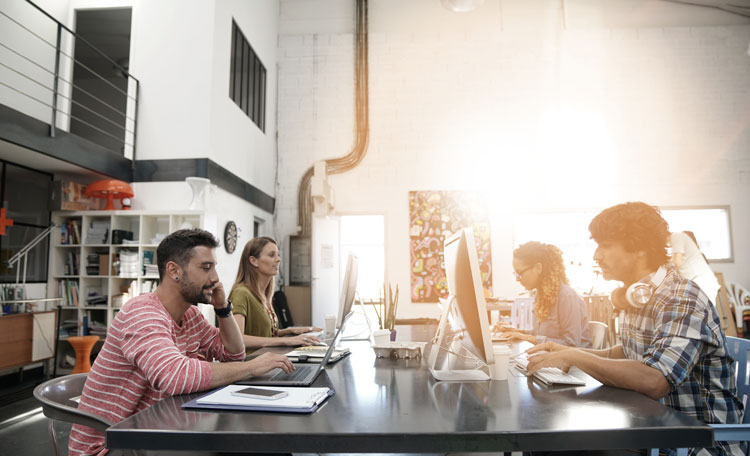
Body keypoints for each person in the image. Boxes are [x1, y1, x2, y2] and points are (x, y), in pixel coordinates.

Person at [526, 202, 744, 456]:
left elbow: (655, 380)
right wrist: (566, 351)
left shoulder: (681, 297)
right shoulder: (638, 295)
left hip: (696, 444)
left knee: (556, 446)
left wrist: (574, 357)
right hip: (654, 429)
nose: (597, 255)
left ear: (639, 248)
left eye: (605, 246)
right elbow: (630, 352)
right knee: (550, 439)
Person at [68, 229, 294, 456]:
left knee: (261, 445)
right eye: (206, 268)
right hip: (111, 445)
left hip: (154, 429)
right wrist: (251, 367)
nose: (215, 278)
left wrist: (223, 309)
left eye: (214, 267)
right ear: (174, 271)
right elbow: (175, 377)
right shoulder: (142, 313)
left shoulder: (190, 316)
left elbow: (233, 354)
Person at [230, 236, 322, 351]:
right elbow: (237, 339)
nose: (278, 259)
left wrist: (290, 331)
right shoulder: (241, 293)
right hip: (252, 363)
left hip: (267, 359)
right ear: (253, 261)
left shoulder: (263, 294)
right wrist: (285, 340)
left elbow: (263, 335)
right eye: (271, 255)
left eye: (277, 255)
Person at [493, 241, 592, 348]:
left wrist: (527, 338)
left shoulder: (567, 297)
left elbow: (571, 345)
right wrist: (518, 332)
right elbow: (540, 335)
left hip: (572, 363)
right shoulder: (540, 296)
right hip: (551, 359)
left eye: (520, 273)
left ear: (538, 268)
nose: (517, 278)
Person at [670, 230, 720, 303]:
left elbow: (676, 264)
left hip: (701, 283)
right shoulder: (675, 245)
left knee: (702, 312)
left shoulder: (676, 237)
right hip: (695, 283)